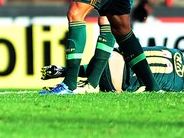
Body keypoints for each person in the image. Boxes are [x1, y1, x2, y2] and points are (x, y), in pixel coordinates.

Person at [41, 46, 184, 93]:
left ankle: (66, 72)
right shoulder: (180, 85)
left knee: (103, 67)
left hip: (106, 58)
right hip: (114, 81)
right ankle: (78, 85)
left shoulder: (175, 51)